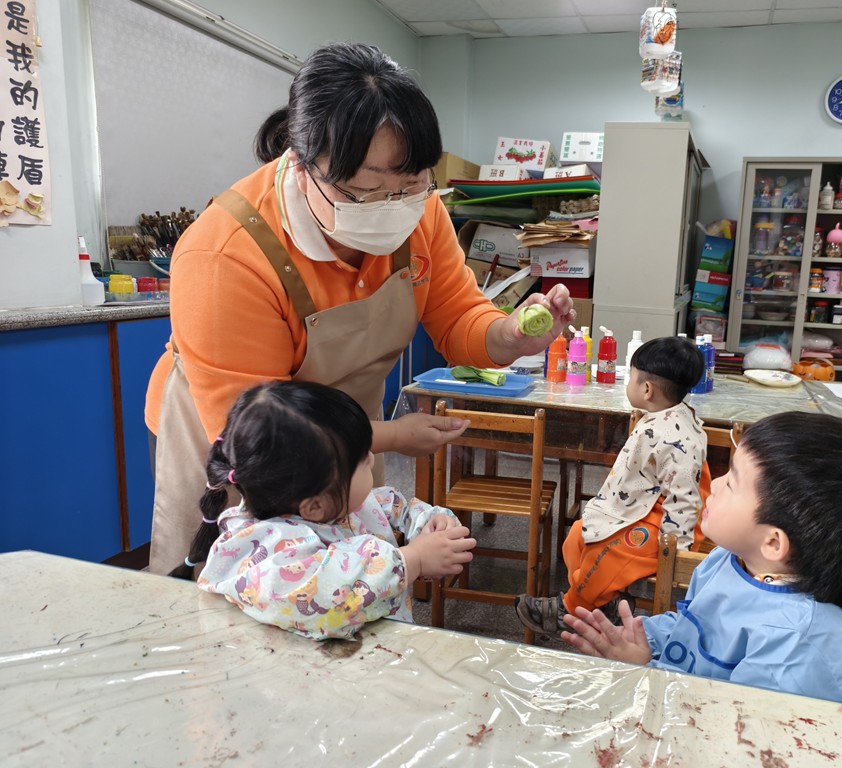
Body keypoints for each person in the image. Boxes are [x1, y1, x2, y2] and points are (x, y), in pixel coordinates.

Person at [145, 42, 574, 575]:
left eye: (412, 184)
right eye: (364, 191)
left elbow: (459, 314)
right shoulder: (226, 254)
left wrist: (507, 336)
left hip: (349, 434)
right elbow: (262, 432)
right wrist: (390, 435)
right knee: (247, 587)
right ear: (301, 166)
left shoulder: (419, 213)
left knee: (350, 577)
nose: (393, 208)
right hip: (246, 442)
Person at [560, 412, 842, 709]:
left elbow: (726, 727)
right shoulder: (731, 560)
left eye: (732, 482)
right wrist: (641, 637)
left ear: (773, 542)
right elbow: (693, 627)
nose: (715, 484)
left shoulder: (792, 645)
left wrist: (646, 673)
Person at [170, 380, 477, 641]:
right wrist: (414, 559)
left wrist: (433, 524)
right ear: (315, 505)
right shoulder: (267, 549)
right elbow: (329, 593)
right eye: (362, 460)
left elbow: (399, 507)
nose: (372, 458)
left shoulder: (346, 503)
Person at [515, 336, 707, 636]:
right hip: (640, 506)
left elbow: (684, 502)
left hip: (666, 524)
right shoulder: (660, 416)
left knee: (607, 553)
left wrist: (675, 553)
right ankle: (606, 604)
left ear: (647, 389)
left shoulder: (677, 438)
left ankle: (571, 610)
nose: (628, 383)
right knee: (577, 536)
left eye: (630, 377)